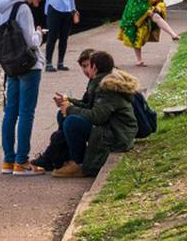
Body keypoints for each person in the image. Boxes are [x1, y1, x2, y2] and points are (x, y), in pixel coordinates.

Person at [49, 50, 139, 178]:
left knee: (72, 122)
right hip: (112, 127)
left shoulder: (107, 87)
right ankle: (63, 155)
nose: (85, 70)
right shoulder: (101, 81)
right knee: (63, 114)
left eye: (88, 66)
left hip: (117, 134)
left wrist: (70, 109)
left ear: (94, 67)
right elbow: (91, 107)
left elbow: (97, 117)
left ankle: (78, 163)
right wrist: (68, 102)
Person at [0, 0, 48, 175]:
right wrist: (39, 34)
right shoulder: (23, 8)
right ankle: (22, 161)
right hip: (28, 65)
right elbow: (30, 41)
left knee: (10, 112)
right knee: (26, 113)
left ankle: (8, 161)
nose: (36, 4)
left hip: (11, 65)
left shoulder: (1, 7)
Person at [117, 0, 179, 66]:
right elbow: (136, 3)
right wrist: (149, 10)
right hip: (136, 13)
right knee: (137, 35)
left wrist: (158, 6)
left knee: (156, 18)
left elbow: (158, 1)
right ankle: (139, 60)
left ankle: (173, 35)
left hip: (147, 11)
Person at [40, 0, 79, 72]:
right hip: (54, 10)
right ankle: (48, 63)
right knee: (52, 37)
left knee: (64, 37)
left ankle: (60, 62)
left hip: (67, 11)